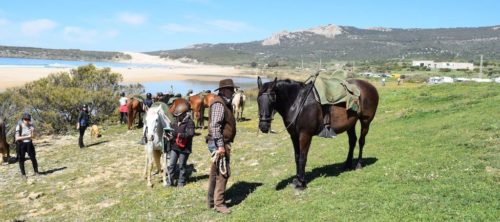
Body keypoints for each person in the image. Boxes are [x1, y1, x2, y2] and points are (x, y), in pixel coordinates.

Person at [206, 79, 237, 214]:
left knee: (215, 172)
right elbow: (215, 126)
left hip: (219, 142)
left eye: (232, 89)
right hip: (220, 142)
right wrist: (220, 146)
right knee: (224, 173)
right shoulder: (219, 103)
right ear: (224, 90)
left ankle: (211, 201)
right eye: (230, 89)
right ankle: (219, 204)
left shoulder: (223, 102)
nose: (232, 92)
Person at [165, 102, 195, 187]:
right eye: (176, 115)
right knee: (171, 164)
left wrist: (179, 135)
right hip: (174, 146)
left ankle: (181, 181)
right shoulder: (175, 122)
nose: (177, 117)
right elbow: (172, 133)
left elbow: (191, 134)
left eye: (179, 115)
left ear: (184, 113)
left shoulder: (190, 122)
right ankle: (169, 181)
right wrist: (169, 136)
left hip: (184, 148)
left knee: (182, 165)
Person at [15, 113, 39, 180]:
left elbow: (33, 137)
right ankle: (23, 174)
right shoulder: (19, 126)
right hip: (21, 144)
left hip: (29, 143)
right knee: (21, 159)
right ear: (23, 119)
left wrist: (33, 132)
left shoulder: (31, 126)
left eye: (28, 119)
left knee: (33, 158)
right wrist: (27, 136)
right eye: (25, 119)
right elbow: (17, 138)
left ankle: (36, 172)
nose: (27, 121)